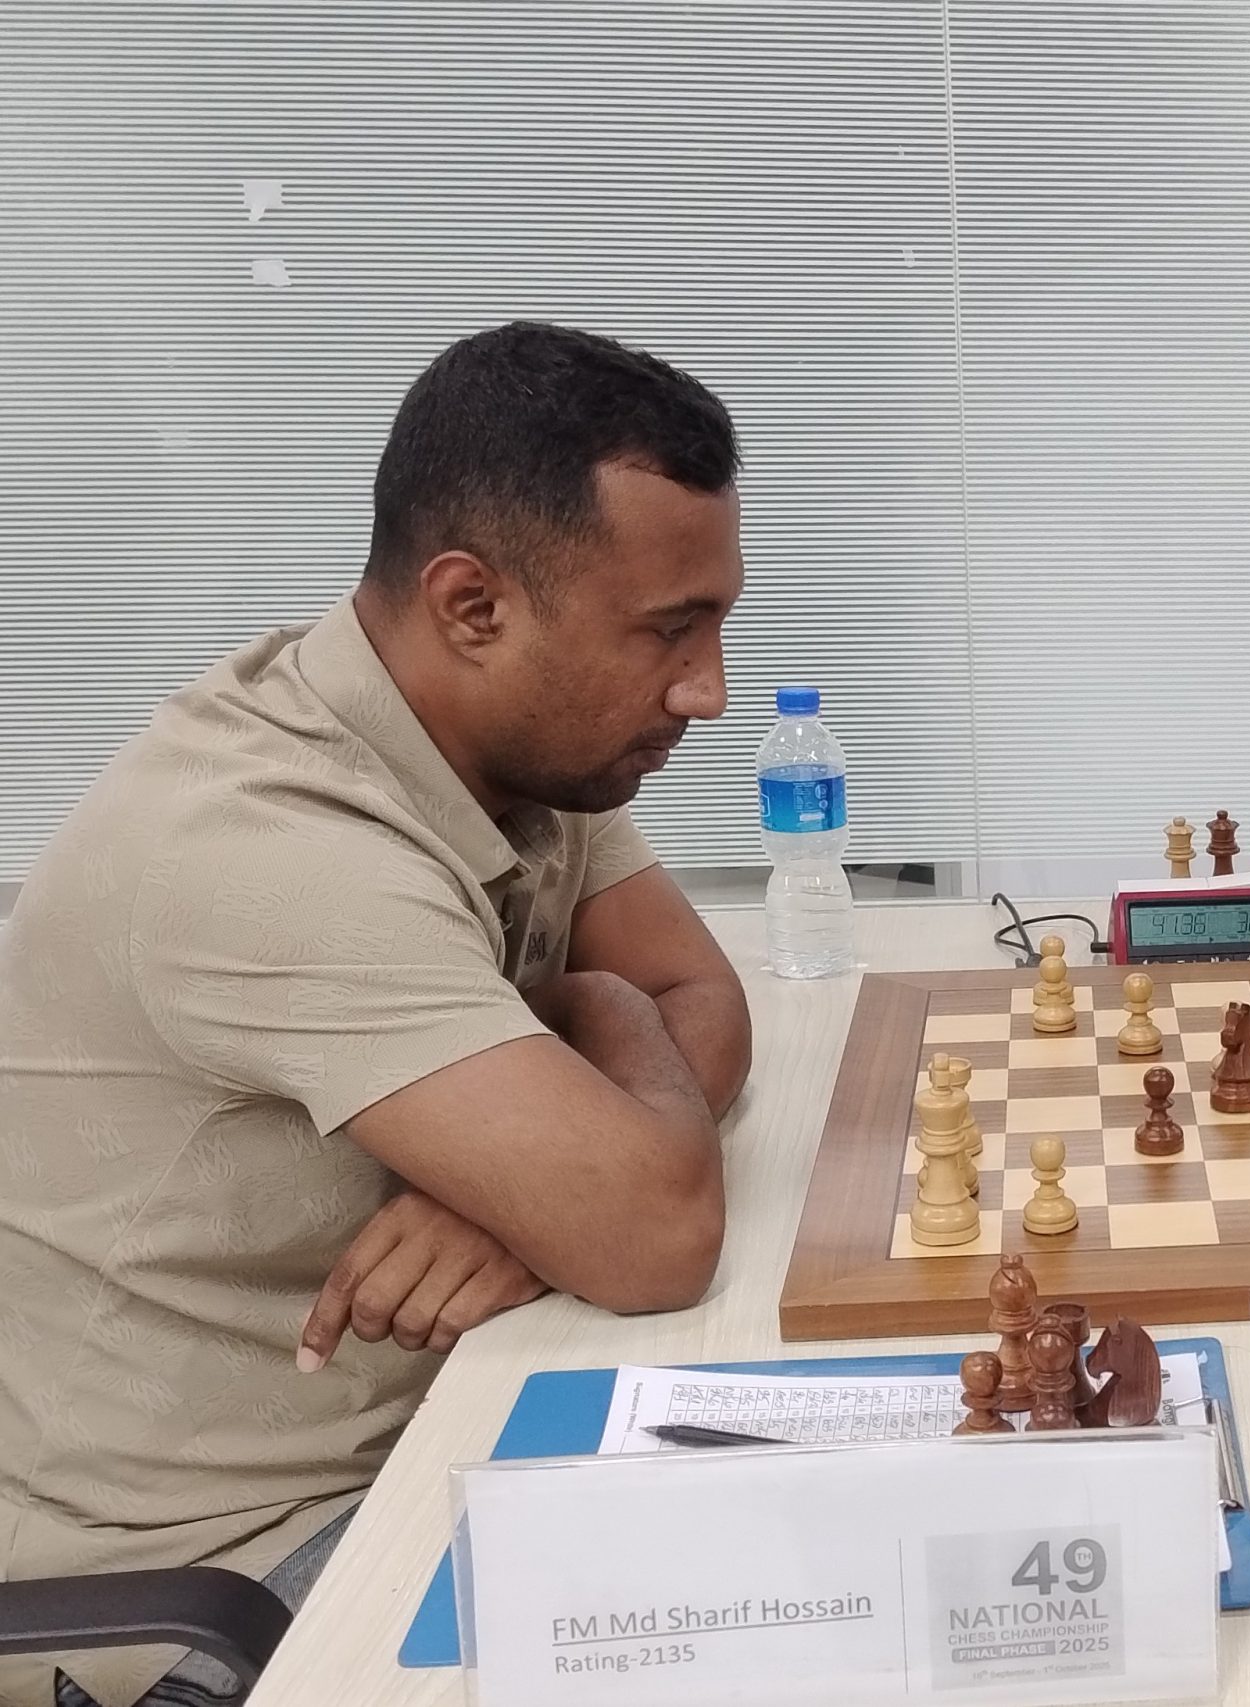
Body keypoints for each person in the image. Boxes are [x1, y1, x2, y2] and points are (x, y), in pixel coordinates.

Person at [0, 322, 754, 1707]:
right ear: (472, 607)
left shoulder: (506, 743)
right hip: (222, 1569)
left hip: (434, 1418)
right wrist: (592, 1048)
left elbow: (700, 999)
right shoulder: (268, 842)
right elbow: (654, 1231)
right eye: (667, 631)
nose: (705, 689)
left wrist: (516, 1197)